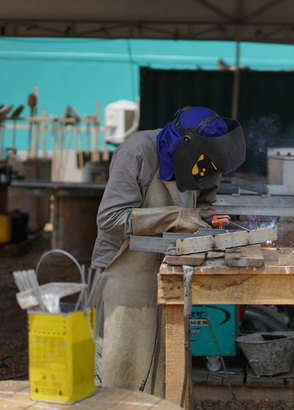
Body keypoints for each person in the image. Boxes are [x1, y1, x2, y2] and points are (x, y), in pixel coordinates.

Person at [91, 106, 246, 395]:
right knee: (119, 360)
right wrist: (175, 218)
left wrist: (207, 219)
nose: (208, 169)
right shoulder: (138, 152)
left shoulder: (208, 158)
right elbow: (110, 219)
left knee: (165, 363)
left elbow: (203, 206)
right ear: (185, 146)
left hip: (171, 267)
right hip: (124, 268)